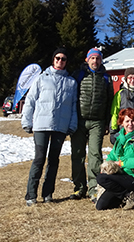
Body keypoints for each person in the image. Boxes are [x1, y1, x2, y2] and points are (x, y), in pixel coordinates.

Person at [22, 48, 78, 206]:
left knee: (54, 160)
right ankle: (31, 195)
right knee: (39, 159)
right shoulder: (42, 79)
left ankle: (48, 194)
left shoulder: (71, 82)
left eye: (64, 59)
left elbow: (74, 106)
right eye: (58, 58)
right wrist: (27, 121)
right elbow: (31, 100)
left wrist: (72, 125)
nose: (60, 61)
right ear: (53, 59)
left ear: (67, 62)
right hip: (41, 125)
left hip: (60, 127)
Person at [70, 48, 114, 202]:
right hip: (79, 121)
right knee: (77, 155)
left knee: (95, 155)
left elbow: (110, 101)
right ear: (87, 60)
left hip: (98, 122)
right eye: (92, 58)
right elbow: (72, 97)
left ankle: (94, 189)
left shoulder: (107, 78)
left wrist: (108, 121)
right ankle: (79, 188)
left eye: (98, 58)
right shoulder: (78, 75)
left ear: (101, 60)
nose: (95, 61)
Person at [96, 108, 134, 210]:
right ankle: (127, 196)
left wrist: (121, 163)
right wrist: (105, 166)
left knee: (101, 178)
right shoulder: (120, 138)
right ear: (122, 123)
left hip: (133, 177)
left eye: (133, 121)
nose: (130, 124)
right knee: (101, 206)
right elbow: (112, 156)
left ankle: (129, 195)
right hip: (119, 176)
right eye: (127, 121)